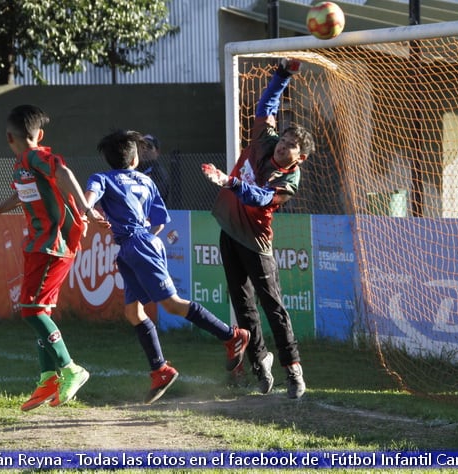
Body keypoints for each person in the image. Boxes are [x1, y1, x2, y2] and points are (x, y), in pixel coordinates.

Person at [86, 130, 250, 404]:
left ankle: (232, 336)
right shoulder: (146, 182)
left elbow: (89, 199)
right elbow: (160, 220)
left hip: (135, 244)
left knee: (172, 304)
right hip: (142, 242)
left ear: (108, 158)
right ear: (135, 158)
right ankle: (160, 370)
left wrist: (90, 212)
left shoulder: (102, 178)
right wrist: (147, 237)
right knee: (133, 311)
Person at [0, 104, 108, 412]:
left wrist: (87, 210)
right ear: (39, 133)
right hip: (39, 245)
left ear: (8, 137)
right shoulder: (23, 165)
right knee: (38, 310)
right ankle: (48, 378)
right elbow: (22, 195)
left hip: (52, 245)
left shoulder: (36, 157)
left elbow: (64, 171)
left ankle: (71, 370)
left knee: (31, 310)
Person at [201, 58, 315, 399]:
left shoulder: (289, 179)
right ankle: (259, 361)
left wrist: (229, 181)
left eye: (291, 144)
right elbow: (267, 104)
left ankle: (293, 371)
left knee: (272, 305)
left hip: (255, 242)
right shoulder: (265, 139)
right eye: (284, 138)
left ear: (299, 157)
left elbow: (261, 198)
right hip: (229, 231)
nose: (283, 144)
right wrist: (283, 73)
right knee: (242, 302)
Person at [137, 134, 171, 203]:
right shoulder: (131, 170)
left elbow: (155, 196)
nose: (145, 150)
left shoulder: (160, 174)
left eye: (149, 147)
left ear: (157, 152)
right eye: (142, 147)